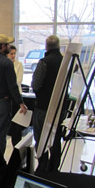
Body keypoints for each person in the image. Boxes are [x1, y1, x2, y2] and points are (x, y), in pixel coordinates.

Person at [31, 35, 64, 171]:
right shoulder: (66, 62)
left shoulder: (44, 62)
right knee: (56, 139)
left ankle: (43, 165)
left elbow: (36, 85)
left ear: (46, 47)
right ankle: (54, 168)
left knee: (41, 138)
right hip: (60, 107)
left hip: (44, 107)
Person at [7, 45, 25, 147]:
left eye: (14, 54)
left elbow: (18, 80)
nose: (13, 55)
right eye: (11, 53)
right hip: (6, 96)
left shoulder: (19, 65)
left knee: (16, 121)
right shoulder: (4, 65)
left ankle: (16, 142)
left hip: (16, 95)